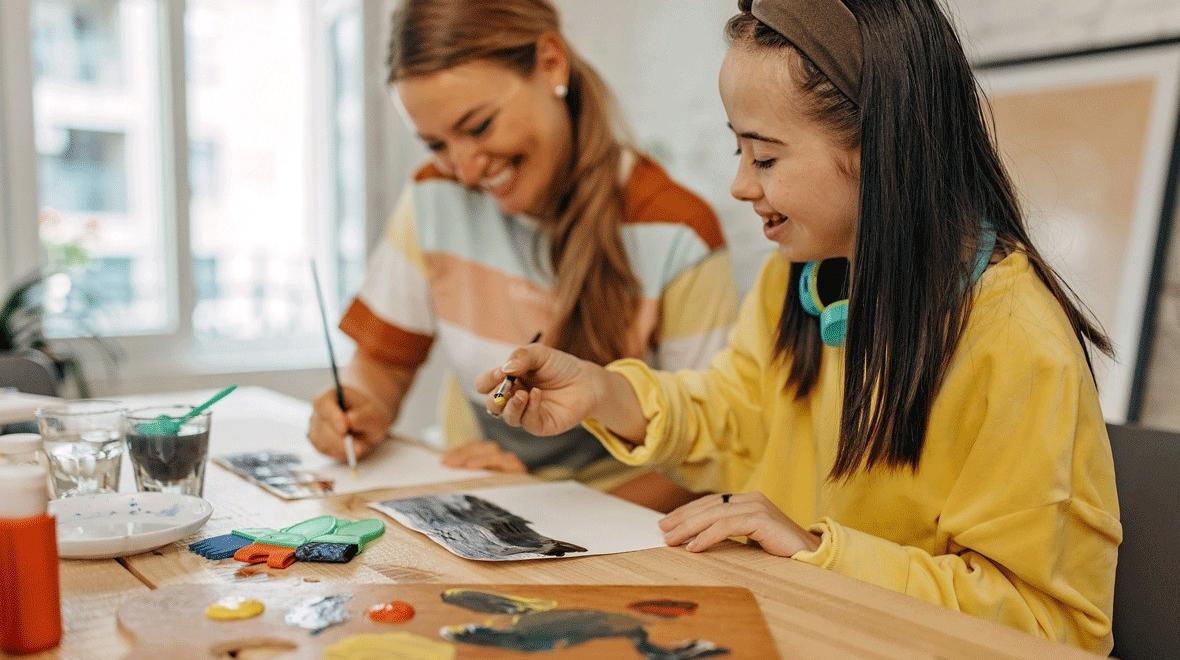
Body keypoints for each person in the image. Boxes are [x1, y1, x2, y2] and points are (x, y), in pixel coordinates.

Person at [476, 0, 1121, 651]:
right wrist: (604, 394)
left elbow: (1051, 627)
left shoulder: (1019, 343)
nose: (737, 184)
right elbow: (735, 417)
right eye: (738, 149)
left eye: (763, 158)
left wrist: (817, 549)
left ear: (877, 148)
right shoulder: (797, 278)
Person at [306, 0, 738, 512]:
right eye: (435, 144)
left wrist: (537, 503)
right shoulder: (433, 197)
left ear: (551, 63)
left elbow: (710, 464)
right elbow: (381, 367)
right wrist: (358, 409)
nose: (464, 170)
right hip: (474, 511)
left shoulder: (675, 230)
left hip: (620, 536)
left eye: (479, 126)